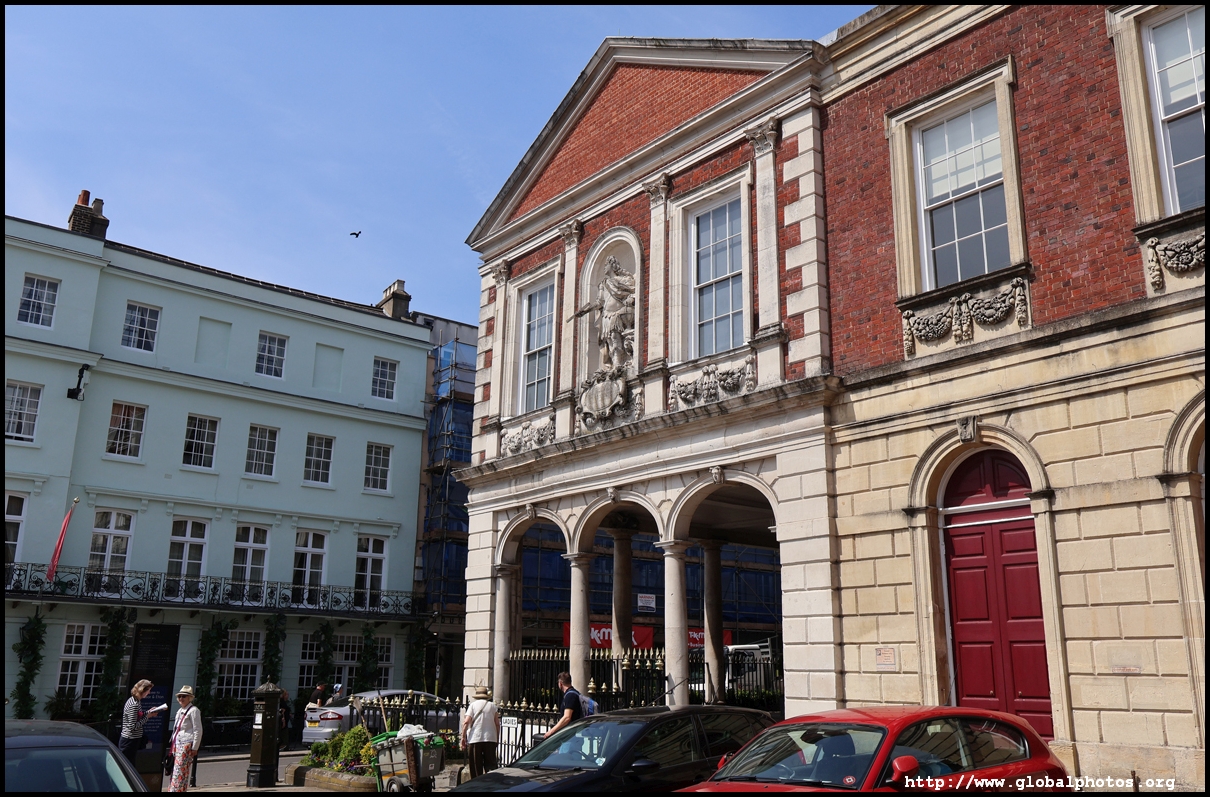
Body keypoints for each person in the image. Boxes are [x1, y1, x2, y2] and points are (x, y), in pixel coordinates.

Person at [119, 679, 164, 767]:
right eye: (148, 690)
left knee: (130, 765)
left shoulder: (136, 701)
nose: (149, 693)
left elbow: (138, 716)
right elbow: (133, 726)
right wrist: (148, 716)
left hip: (132, 740)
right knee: (128, 766)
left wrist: (149, 712)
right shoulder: (134, 704)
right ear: (142, 690)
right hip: (129, 740)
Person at [168, 685, 202, 793]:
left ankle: (177, 790)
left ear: (189, 698)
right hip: (177, 743)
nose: (181, 699)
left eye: (184, 696)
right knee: (175, 771)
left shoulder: (194, 711)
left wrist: (195, 747)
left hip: (186, 743)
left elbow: (198, 729)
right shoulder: (180, 710)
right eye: (179, 697)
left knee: (181, 771)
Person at [461, 686, 500, 779]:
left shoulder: (473, 705)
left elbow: (466, 722)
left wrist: (463, 737)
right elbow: (497, 724)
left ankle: (477, 783)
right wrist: (497, 738)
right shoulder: (492, 706)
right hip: (490, 738)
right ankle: (491, 782)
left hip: (475, 738)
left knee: (475, 765)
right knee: (491, 765)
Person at [546, 672, 583, 738]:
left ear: (560, 683)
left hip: (571, 736)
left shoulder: (570, 695)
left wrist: (551, 732)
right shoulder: (574, 693)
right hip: (573, 734)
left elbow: (567, 717)